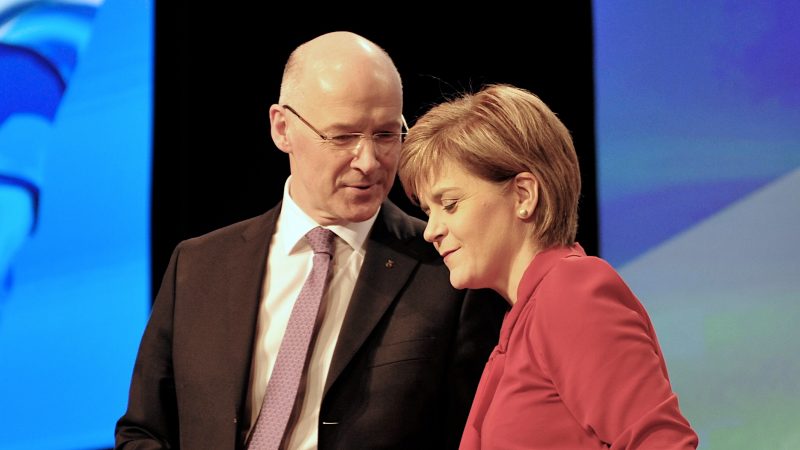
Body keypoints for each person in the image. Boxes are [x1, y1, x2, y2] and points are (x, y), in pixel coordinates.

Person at [115, 32, 505, 449]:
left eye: (387, 135)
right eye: (342, 137)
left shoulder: (449, 271)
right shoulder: (198, 266)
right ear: (282, 128)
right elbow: (144, 432)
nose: (369, 161)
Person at [398, 84, 699, 449]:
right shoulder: (525, 316)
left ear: (523, 195)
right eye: (428, 212)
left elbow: (660, 443)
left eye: (450, 203)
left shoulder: (571, 292)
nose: (431, 231)